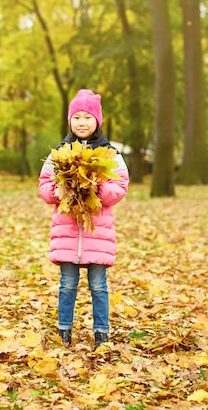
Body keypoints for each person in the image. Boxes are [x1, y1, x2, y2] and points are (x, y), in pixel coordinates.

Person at [38, 89, 130, 350]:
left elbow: (120, 186)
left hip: (97, 233)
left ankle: (102, 333)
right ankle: (63, 331)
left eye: (87, 117)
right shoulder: (59, 154)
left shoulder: (110, 154)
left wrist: (98, 189)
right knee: (67, 284)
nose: (81, 122)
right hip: (66, 232)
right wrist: (58, 191)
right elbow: (44, 186)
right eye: (76, 117)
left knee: (98, 286)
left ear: (97, 121)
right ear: (69, 120)